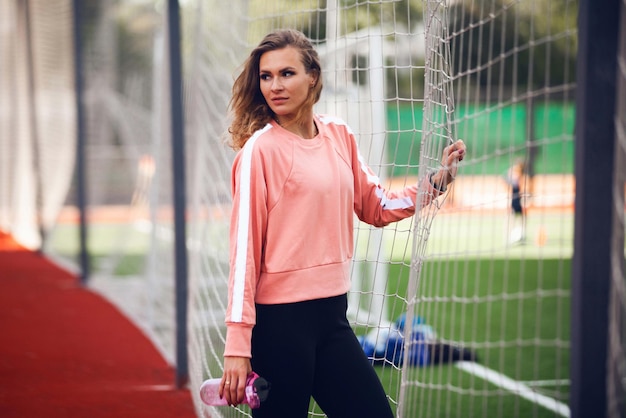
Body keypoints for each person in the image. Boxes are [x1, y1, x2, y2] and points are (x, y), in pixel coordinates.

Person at [219, 29, 466, 417]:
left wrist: (437, 181)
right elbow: (243, 253)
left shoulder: (339, 135)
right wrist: (237, 345)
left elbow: (376, 205)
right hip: (279, 326)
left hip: (333, 317)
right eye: (266, 76)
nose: (274, 86)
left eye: (287, 73)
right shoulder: (259, 152)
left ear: (312, 76)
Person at [504, 160, 526, 244]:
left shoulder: (519, 176)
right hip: (514, 200)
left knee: (522, 218)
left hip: (518, 199)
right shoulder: (513, 175)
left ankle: (521, 235)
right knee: (511, 218)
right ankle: (508, 237)